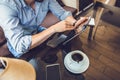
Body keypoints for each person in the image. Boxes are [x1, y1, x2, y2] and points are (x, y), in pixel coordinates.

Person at [0, 0, 88, 58]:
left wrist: (75, 23)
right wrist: (53, 29)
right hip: (21, 44)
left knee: (71, 38)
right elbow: (19, 45)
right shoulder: (6, 6)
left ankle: (74, 63)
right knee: (36, 68)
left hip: (36, 31)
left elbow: (62, 14)